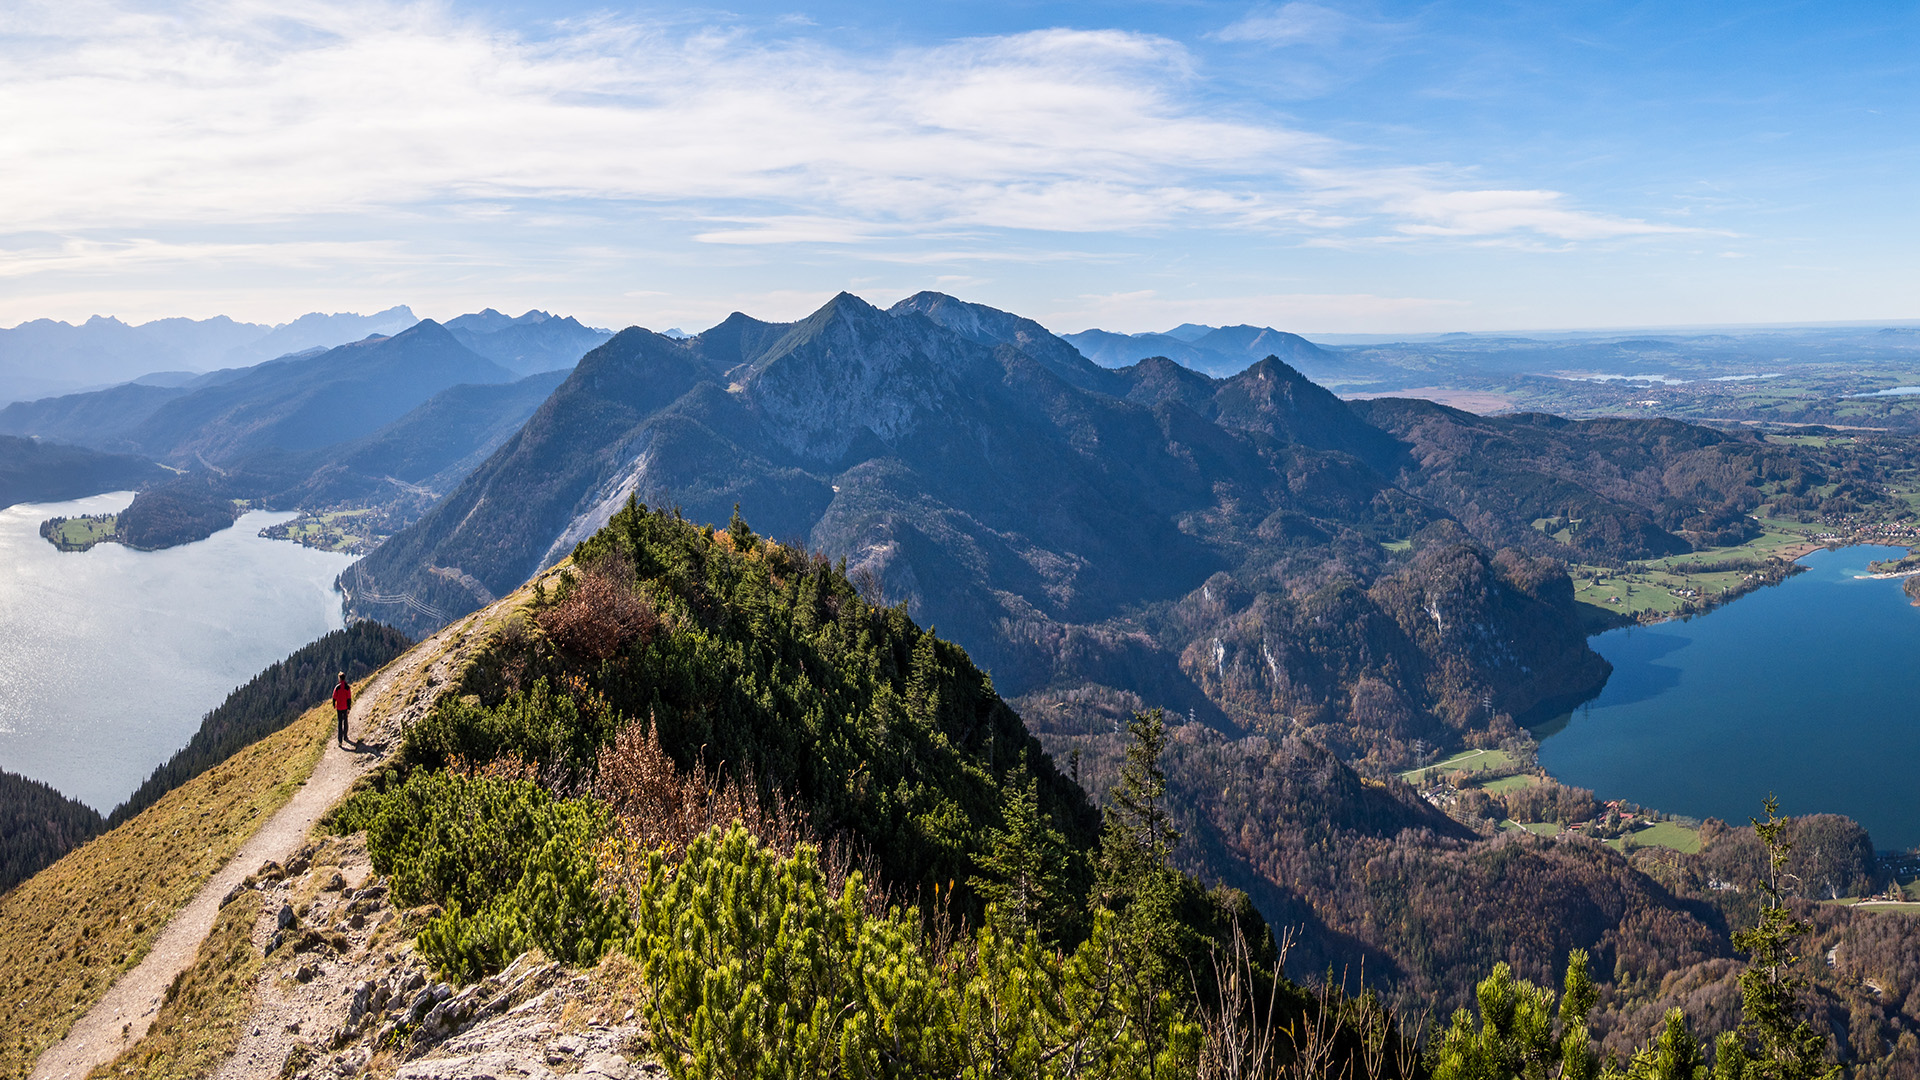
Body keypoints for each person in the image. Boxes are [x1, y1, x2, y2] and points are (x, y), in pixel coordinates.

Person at [333, 673, 353, 747]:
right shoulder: (347, 687)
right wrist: (349, 707)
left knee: (340, 723)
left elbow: (334, 697)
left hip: (339, 708)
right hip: (345, 707)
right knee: (345, 721)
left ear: (339, 678)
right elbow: (349, 698)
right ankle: (345, 736)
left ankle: (340, 741)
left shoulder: (337, 687)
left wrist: (333, 704)